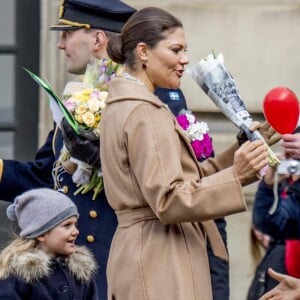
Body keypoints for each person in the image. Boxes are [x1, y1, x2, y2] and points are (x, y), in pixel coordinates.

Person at [100, 7, 270, 299]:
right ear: (143, 51)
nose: (185, 60)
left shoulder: (123, 105)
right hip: (161, 258)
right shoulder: (144, 111)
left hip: (144, 252)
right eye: (176, 49)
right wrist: (236, 176)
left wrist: (239, 151)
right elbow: (168, 200)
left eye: (185, 50)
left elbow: (186, 178)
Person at [0, 188, 98, 299]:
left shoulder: (80, 273)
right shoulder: (18, 275)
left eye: (75, 224)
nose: (76, 231)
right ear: (41, 234)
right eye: (67, 225)